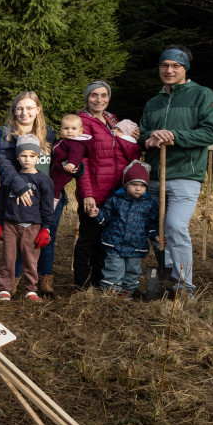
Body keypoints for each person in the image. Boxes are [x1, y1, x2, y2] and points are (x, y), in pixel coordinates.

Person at [138, 45, 213, 299]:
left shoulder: (201, 95)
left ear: (185, 68)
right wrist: (148, 138)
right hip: (154, 177)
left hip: (185, 175)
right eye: (165, 65)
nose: (169, 70)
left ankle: (185, 287)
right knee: (156, 230)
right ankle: (168, 276)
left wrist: (175, 135)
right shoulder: (153, 102)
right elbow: (140, 135)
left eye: (176, 66)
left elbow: (211, 132)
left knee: (174, 226)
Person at [73, 81, 142, 292]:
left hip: (116, 194)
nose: (99, 99)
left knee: (107, 241)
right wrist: (87, 193)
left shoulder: (113, 122)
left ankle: (100, 282)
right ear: (87, 97)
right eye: (94, 95)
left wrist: (126, 138)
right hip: (95, 192)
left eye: (103, 95)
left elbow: (130, 156)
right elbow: (80, 162)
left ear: (108, 98)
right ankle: (81, 284)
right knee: (88, 239)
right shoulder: (82, 123)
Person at [0, 91, 60, 298]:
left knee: (46, 237)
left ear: (38, 110)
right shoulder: (6, 133)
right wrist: (20, 187)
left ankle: (43, 281)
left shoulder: (49, 133)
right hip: (18, 193)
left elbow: (58, 162)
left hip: (47, 193)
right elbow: (3, 163)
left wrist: (58, 190)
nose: (25, 112)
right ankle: (14, 281)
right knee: (18, 238)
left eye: (30, 108)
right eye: (20, 108)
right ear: (14, 110)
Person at [0, 136, 55, 302]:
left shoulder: (44, 180)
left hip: (33, 226)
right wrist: (0, 222)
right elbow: (2, 202)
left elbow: (47, 206)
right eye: (23, 155)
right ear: (17, 156)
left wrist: (46, 228)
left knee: (31, 259)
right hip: (10, 224)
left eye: (32, 156)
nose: (27, 159)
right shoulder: (10, 179)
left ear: (38, 157)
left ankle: (30, 290)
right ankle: (4, 289)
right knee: (8, 257)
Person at [97, 161, 160, 298]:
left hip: (136, 244)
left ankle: (128, 292)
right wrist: (97, 213)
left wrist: (155, 235)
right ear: (125, 185)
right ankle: (111, 292)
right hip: (115, 242)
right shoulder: (116, 199)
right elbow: (106, 216)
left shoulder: (149, 204)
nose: (138, 188)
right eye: (134, 184)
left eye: (142, 185)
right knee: (114, 267)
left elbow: (151, 224)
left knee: (133, 270)